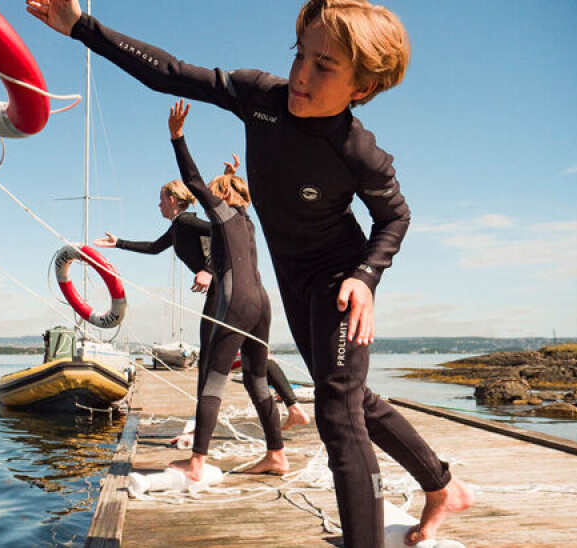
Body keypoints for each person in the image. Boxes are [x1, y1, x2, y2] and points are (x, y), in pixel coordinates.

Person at [25, 1, 473, 546]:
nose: (301, 75)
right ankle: (442, 487)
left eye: (324, 66)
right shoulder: (261, 97)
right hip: (293, 281)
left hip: (338, 278)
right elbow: (169, 72)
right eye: (300, 54)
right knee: (352, 400)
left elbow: (394, 216)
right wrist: (81, 28)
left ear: (362, 87)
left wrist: (366, 276)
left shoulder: (359, 152)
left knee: (337, 414)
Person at [93, 163, 311, 431]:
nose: (158, 205)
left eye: (161, 199)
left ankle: (199, 427)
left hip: (224, 288)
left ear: (172, 199)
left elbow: (223, 231)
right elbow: (153, 248)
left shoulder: (186, 221)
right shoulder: (177, 228)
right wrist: (118, 243)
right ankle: (293, 406)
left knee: (210, 357)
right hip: (226, 290)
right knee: (248, 352)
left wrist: (208, 270)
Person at [161, 99, 288, 480]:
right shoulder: (246, 220)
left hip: (235, 303)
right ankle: (277, 454)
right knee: (256, 379)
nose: (209, 200)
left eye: (219, 194)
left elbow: (197, 183)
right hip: (262, 302)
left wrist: (177, 138)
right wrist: (232, 175)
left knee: (212, 378)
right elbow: (230, 192)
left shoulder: (224, 212)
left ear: (226, 198)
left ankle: (197, 462)